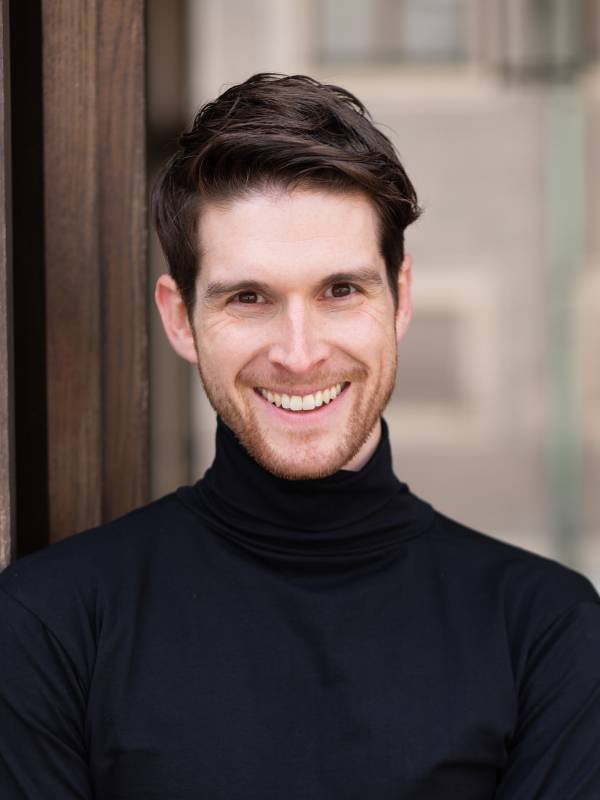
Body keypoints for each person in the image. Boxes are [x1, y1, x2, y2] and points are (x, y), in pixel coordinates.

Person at [1, 73, 599, 799]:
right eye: (249, 297)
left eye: (340, 291)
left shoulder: (544, 631)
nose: (299, 353)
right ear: (181, 318)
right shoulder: (51, 624)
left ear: (400, 299)